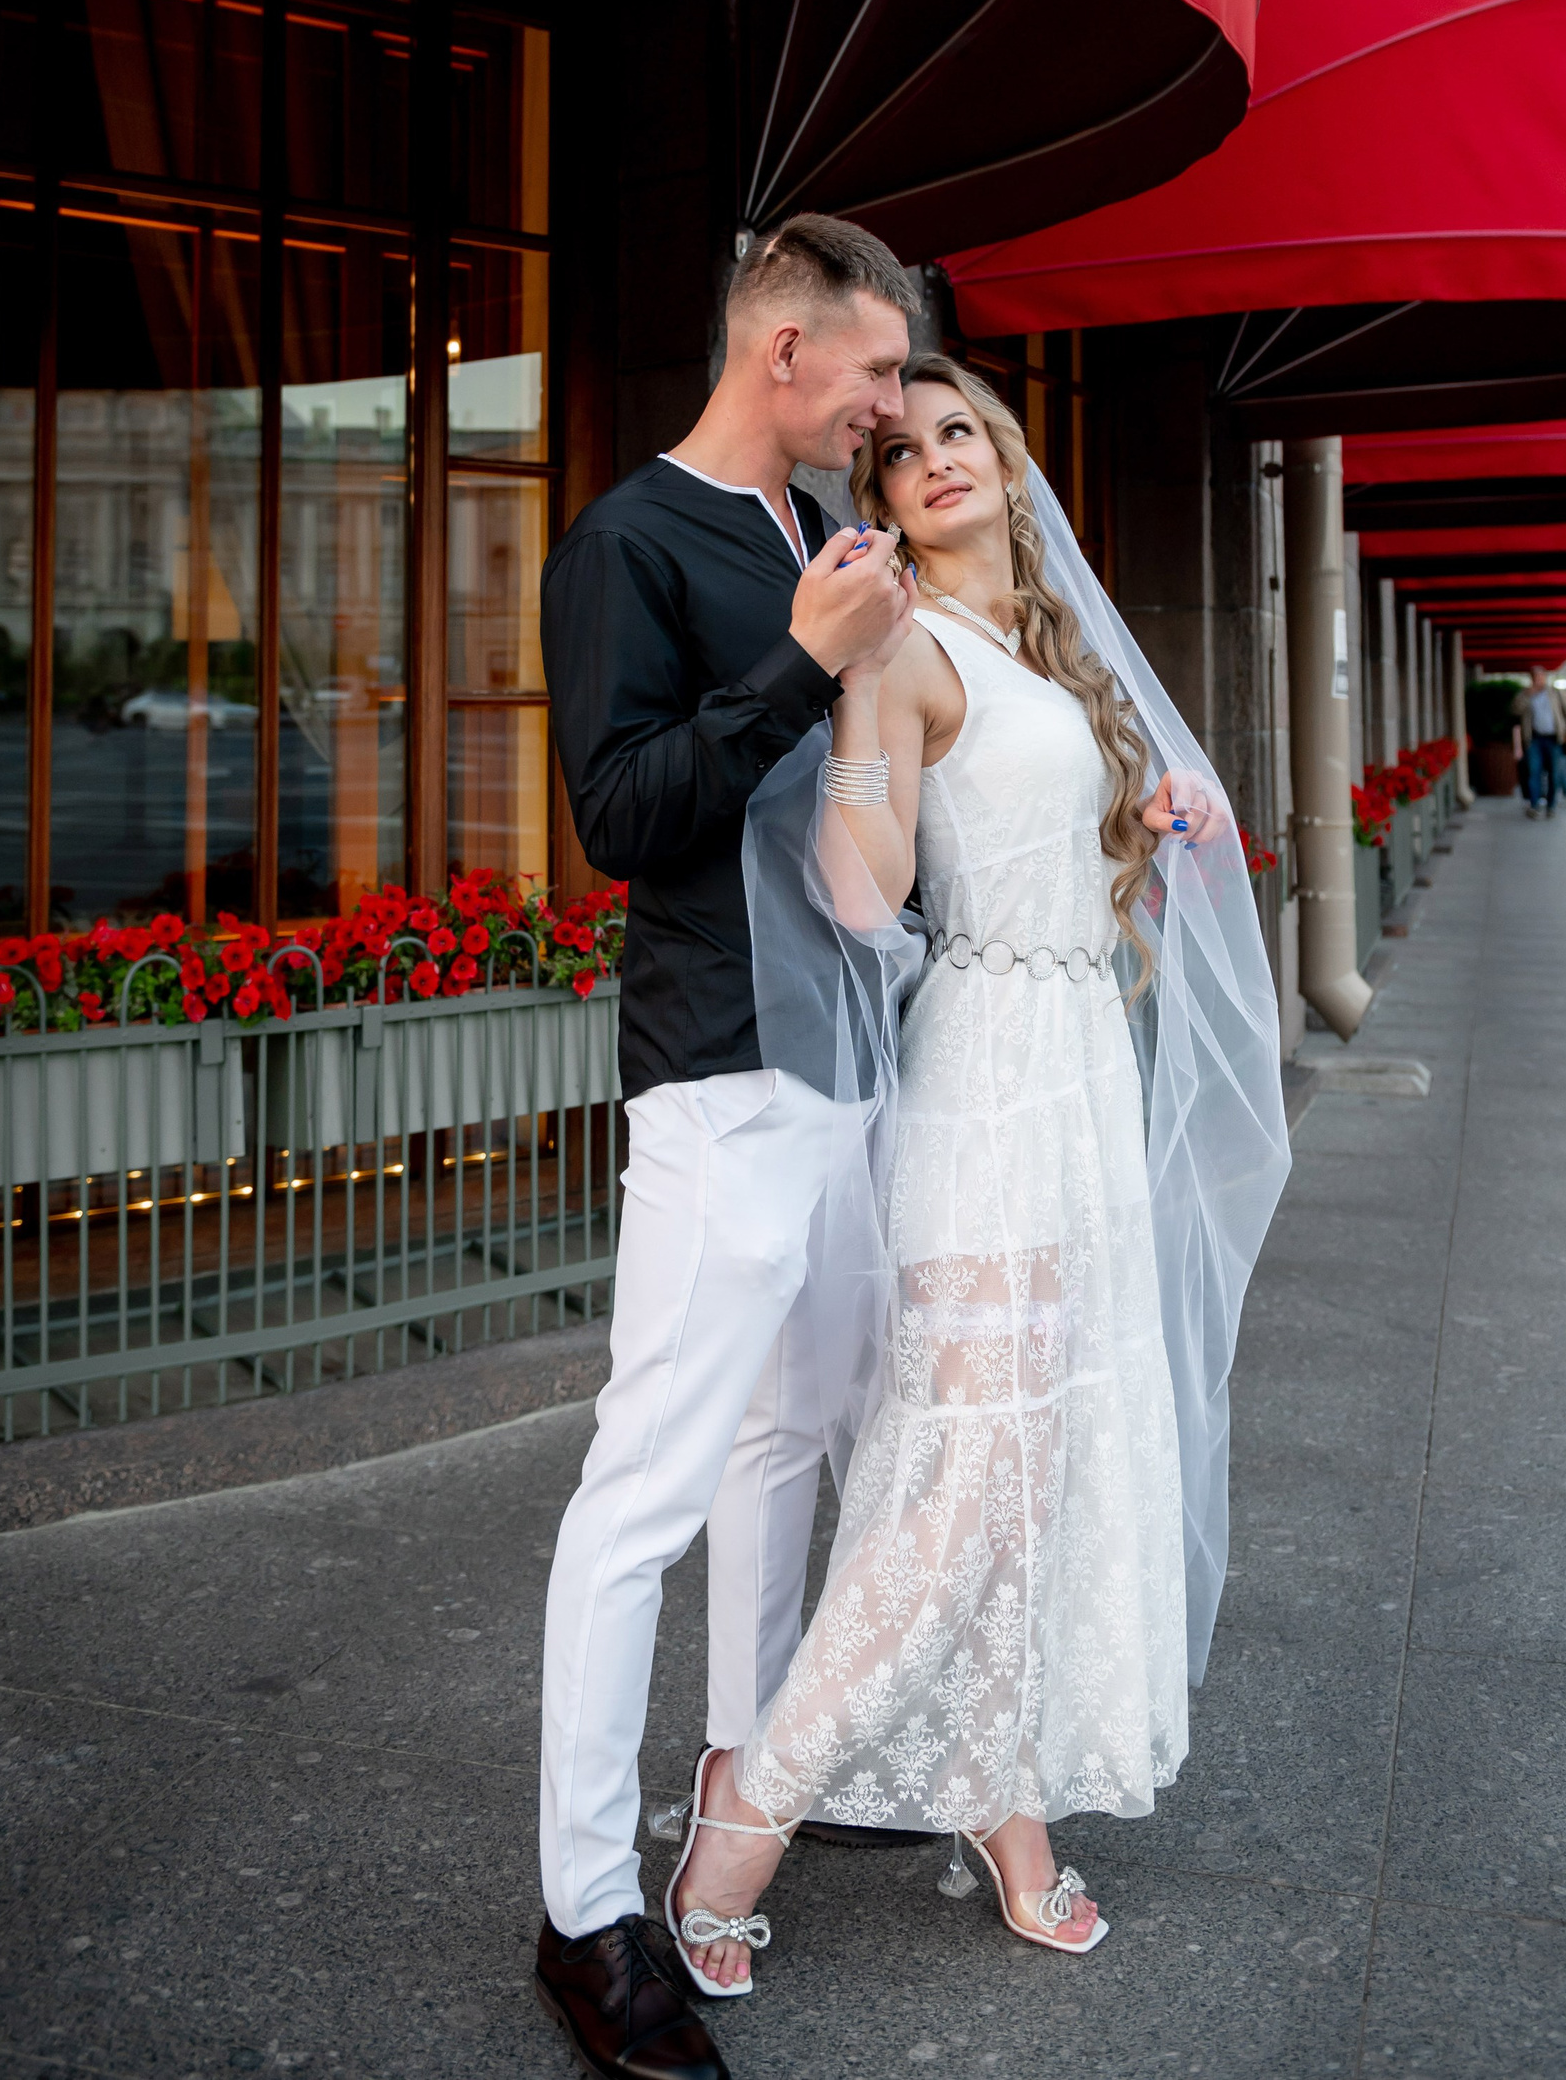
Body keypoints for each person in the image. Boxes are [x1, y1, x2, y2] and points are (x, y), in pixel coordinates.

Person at [658, 356, 1288, 1987]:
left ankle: (1009, 1819)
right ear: (875, 502)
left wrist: (1161, 809)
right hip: (986, 1082)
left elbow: (1077, 863)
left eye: (958, 434)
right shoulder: (910, 647)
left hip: (1077, 1074)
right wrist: (853, 728)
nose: (934, 460)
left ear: (1007, 462)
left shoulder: (1048, 653)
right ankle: (746, 1816)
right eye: (897, 452)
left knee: (1041, 1472)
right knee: (959, 1488)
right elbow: (868, 890)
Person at [532, 215, 920, 2080]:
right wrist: (797, 662)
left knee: (793, 1431)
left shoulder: (810, 531)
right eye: (875, 369)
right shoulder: (626, 539)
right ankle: (582, 1911)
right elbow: (617, 817)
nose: (890, 404)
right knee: (646, 1486)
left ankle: (749, 1778)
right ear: (785, 353)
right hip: (717, 1071)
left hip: (843, 1068)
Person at [1512, 667, 1560, 818]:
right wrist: (1528, 695)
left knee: (1554, 774)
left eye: (1541, 677)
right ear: (1532, 679)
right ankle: (1534, 805)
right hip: (1534, 739)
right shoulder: (1526, 694)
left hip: (1553, 738)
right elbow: (1515, 710)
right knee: (1534, 772)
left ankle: (1551, 806)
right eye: (1536, 677)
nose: (1539, 680)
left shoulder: (1554, 693)